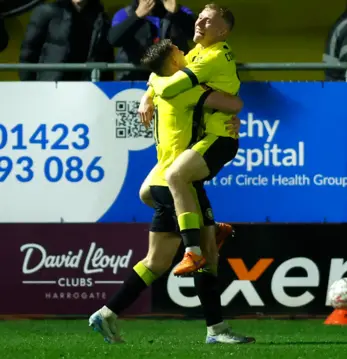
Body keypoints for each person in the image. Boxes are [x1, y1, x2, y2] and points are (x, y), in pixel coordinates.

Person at [89, 39, 254, 345]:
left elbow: (154, 77)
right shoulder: (183, 88)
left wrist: (148, 95)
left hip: (162, 181)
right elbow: (235, 105)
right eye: (180, 52)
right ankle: (216, 330)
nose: (186, 54)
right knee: (207, 255)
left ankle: (106, 313)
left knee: (156, 262)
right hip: (179, 183)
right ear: (175, 63)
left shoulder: (159, 81)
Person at [139, 3, 240, 277]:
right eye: (199, 18)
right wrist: (147, 94)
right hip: (204, 136)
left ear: (222, 31)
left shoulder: (214, 56)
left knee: (176, 177)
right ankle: (209, 227)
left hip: (219, 136)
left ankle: (193, 252)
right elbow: (160, 73)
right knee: (150, 193)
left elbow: (169, 86)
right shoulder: (198, 52)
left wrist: (153, 88)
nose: (199, 23)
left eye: (207, 21)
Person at [19, 0, 113, 81]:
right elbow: (28, 53)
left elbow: (106, 60)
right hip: (50, 88)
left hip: (87, 91)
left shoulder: (102, 20)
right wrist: (30, 87)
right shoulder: (46, 12)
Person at [109, 0, 195, 81]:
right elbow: (114, 40)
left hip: (173, 78)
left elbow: (196, 35)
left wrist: (176, 13)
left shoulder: (181, 11)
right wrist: (137, 16)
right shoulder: (126, 13)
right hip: (134, 79)